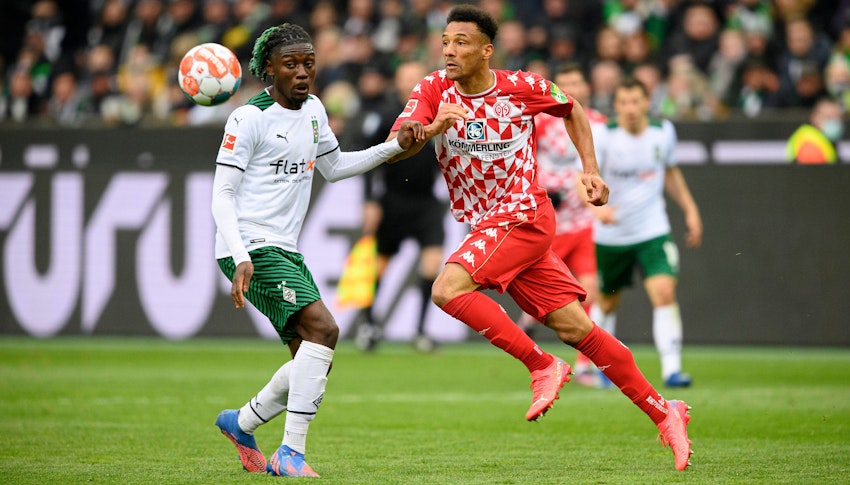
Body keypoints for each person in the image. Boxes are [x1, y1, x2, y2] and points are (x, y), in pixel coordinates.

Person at [386, 5, 693, 471]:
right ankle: (663, 411)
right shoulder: (432, 89)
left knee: (447, 289)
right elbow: (398, 145)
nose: (449, 49)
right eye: (446, 40)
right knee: (576, 328)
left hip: (525, 213)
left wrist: (590, 169)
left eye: (462, 42)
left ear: (487, 50)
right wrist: (429, 130)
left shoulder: (521, 87)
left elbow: (573, 108)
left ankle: (540, 365)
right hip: (489, 225)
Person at [210, 23, 423, 478]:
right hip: (250, 244)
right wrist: (240, 254)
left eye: (309, 63)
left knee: (310, 361)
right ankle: (290, 453)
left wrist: (392, 147)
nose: (302, 73)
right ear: (269, 69)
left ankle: (242, 422)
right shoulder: (249, 118)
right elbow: (222, 195)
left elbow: (334, 166)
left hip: (284, 248)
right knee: (324, 331)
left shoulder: (314, 112)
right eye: (291, 64)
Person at [590, 77, 703, 389]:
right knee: (608, 303)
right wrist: (597, 209)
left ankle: (672, 369)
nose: (629, 108)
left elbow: (670, 172)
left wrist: (690, 210)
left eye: (635, 101)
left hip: (652, 230)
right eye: (623, 102)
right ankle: (604, 365)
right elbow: (582, 177)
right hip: (612, 237)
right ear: (615, 106)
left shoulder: (663, 132)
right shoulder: (602, 136)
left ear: (646, 102)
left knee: (665, 292)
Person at [516, 62, 605, 387]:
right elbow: (526, 162)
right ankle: (528, 332)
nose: (572, 89)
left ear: (586, 87)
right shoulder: (539, 122)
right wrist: (547, 187)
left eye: (576, 82)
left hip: (583, 224)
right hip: (549, 223)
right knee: (544, 298)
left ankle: (584, 364)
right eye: (564, 83)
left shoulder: (598, 125)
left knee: (590, 289)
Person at [351, 61, 447, 353]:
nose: (410, 83)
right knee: (378, 266)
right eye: (406, 77)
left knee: (432, 264)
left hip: (426, 202)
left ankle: (420, 331)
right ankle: (368, 325)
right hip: (393, 200)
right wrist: (370, 201)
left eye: (415, 78)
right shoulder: (384, 115)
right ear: (397, 81)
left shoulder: (437, 114)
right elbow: (369, 159)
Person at [786, 97, 843, 164]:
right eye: (828, 117)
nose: (834, 122)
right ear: (814, 117)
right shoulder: (809, 144)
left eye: (837, 117)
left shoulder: (827, 141)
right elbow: (812, 173)